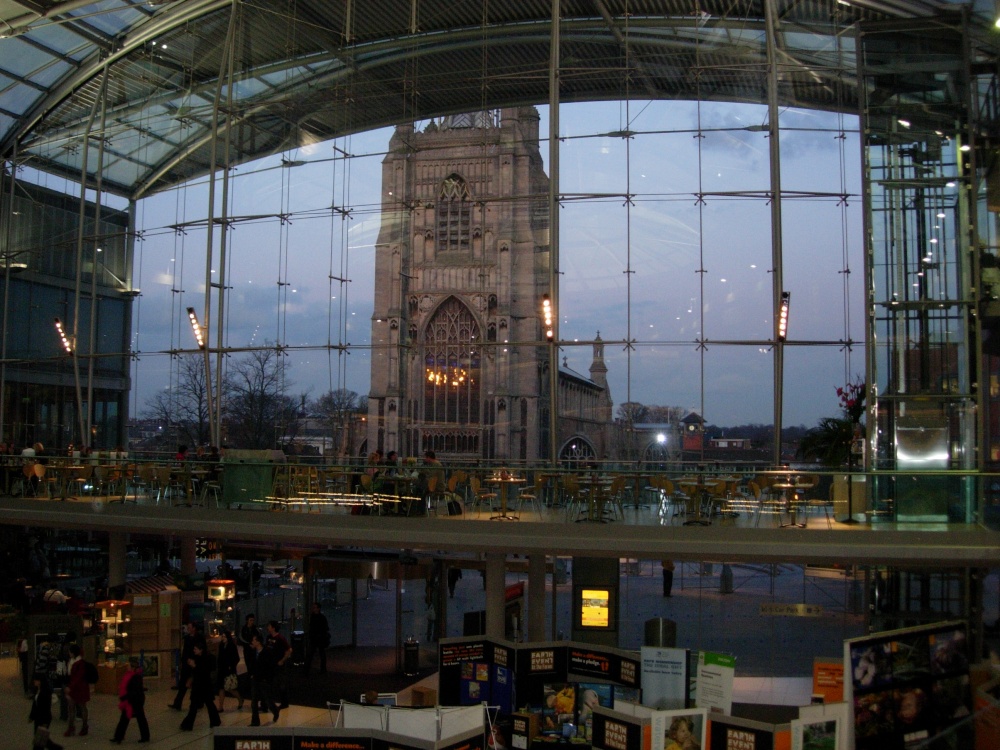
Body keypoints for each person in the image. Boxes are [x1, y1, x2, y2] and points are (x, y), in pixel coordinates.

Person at [179, 638, 221, 731]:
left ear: (201, 649)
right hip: (199, 686)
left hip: (204, 686)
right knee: (196, 706)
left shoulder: (206, 659)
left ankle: (189, 724)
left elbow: (203, 672)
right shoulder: (197, 658)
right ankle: (189, 724)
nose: (194, 651)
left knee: (208, 704)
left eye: (196, 649)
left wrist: (194, 666)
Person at [111, 658, 149, 744]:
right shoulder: (131, 675)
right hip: (132, 700)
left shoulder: (135, 677)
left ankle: (119, 737)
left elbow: (134, 691)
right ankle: (119, 737)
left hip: (134, 701)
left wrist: (125, 697)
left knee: (135, 718)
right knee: (132, 719)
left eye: (128, 665)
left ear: (132, 667)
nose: (126, 667)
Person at [248, 633, 281, 726]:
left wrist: (267, 678)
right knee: (254, 702)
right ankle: (255, 722)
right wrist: (252, 674)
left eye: (254, 640)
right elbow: (252, 664)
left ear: (258, 642)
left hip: (264, 680)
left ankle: (275, 711)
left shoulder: (267, 652)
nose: (252, 642)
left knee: (268, 700)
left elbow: (271, 667)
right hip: (255, 679)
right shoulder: (253, 652)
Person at [168, 621, 200, 710]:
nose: (188, 629)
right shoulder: (187, 638)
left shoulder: (199, 638)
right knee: (183, 685)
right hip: (187, 665)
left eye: (190, 628)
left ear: (194, 628)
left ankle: (198, 702)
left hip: (195, 665)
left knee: (196, 685)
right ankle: (178, 703)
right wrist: (184, 661)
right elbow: (185, 652)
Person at [29, 675, 63, 750]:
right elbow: (35, 705)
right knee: (41, 738)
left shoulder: (45, 693)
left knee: (40, 739)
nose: (34, 681)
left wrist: (44, 723)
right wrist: (32, 716)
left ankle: (56, 748)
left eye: (36, 680)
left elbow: (46, 708)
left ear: (40, 682)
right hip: (38, 718)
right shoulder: (38, 691)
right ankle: (56, 748)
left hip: (43, 718)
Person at [62, 644, 90, 737]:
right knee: (76, 707)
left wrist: (69, 687)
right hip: (78, 687)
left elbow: (77, 677)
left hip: (78, 688)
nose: (69, 653)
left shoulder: (77, 663)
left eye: (70, 652)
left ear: (73, 653)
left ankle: (77, 727)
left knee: (77, 707)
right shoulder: (76, 661)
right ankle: (78, 727)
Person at [215, 628, 243, 712]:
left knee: (230, 689)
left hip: (228, 670)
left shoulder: (231, 646)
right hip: (222, 669)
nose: (222, 638)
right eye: (222, 636)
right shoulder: (221, 645)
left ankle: (240, 699)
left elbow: (236, 658)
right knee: (221, 688)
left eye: (224, 636)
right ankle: (220, 706)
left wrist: (231, 666)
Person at [265, 620, 291, 708]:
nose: (267, 627)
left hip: (278, 665)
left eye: (269, 626)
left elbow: (289, 650)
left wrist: (282, 660)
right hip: (270, 664)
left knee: (281, 683)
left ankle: (284, 702)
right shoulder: (268, 637)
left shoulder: (280, 638)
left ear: (273, 628)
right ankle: (269, 702)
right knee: (270, 683)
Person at [305, 602, 330, 674]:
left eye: (315, 607)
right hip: (318, 638)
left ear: (318, 609)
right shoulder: (321, 617)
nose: (313, 609)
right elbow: (326, 628)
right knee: (321, 653)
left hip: (316, 638)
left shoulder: (314, 617)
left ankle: (306, 670)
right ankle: (323, 670)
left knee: (310, 654)